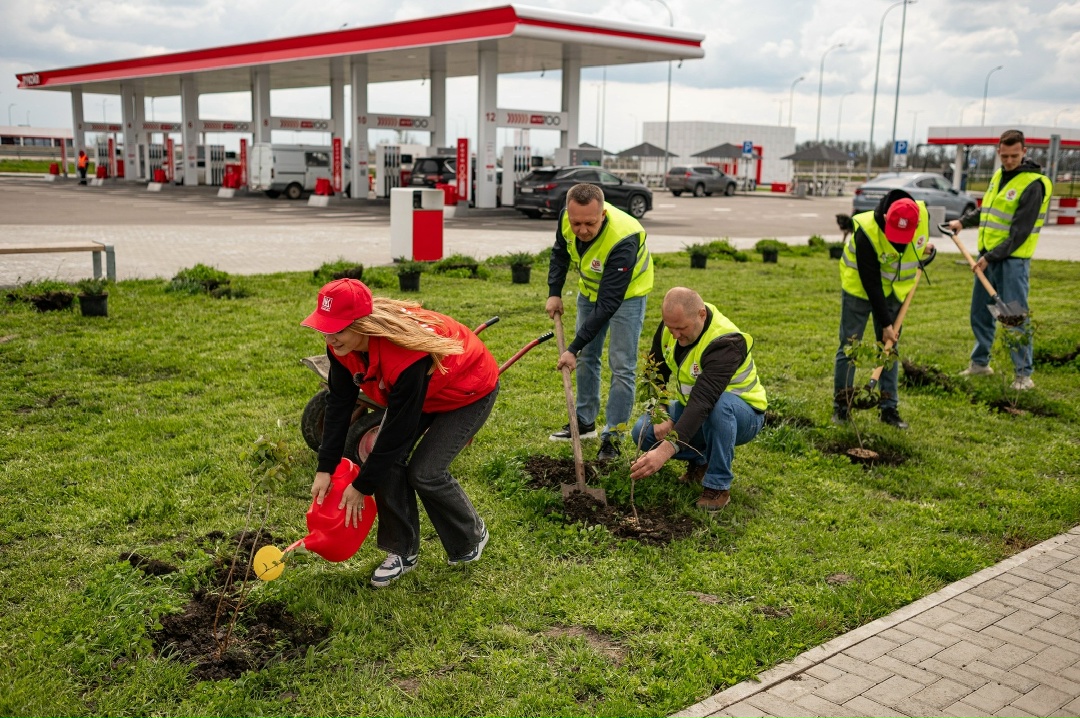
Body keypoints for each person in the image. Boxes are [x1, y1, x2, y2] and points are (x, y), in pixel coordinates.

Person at [301, 279, 499, 588]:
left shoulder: (406, 354)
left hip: (466, 391)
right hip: (423, 392)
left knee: (426, 472)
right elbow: (339, 406)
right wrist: (325, 468)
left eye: (337, 329)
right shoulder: (341, 346)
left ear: (362, 324)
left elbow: (399, 430)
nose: (329, 337)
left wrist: (363, 485)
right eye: (325, 328)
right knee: (386, 460)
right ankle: (401, 551)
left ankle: (471, 536)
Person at [628, 288, 767, 511]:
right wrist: (661, 412)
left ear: (701, 315)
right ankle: (700, 461)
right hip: (698, 410)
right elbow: (654, 376)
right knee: (642, 431)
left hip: (743, 416)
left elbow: (703, 402)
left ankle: (717, 485)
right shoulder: (671, 327)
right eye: (670, 327)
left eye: (681, 328)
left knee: (718, 407)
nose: (674, 335)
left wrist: (664, 452)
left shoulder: (727, 341)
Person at [546, 183, 654, 460]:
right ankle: (584, 423)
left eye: (590, 223)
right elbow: (560, 252)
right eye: (576, 222)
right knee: (587, 357)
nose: (582, 230)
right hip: (590, 291)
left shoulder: (624, 237)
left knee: (621, 365)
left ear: (603, 214)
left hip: (627, 297)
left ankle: (613, 436)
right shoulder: (566, 219)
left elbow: (608, 303)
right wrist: (554, 293)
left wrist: (572, 347)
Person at [948, 129, 1052, 390]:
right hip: (989, 258)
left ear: (1025, 151)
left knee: (1012, 316)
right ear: (998, 152)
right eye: (1004, 156)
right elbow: (988, 211)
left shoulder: (1033, 184)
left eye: (1014, 156)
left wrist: (989, 257)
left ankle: (1023, 375)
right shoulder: (999, 175)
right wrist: (963, 221)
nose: (1009, 161)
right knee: (981, 313)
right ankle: (980, 364)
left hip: (1012, 262)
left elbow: (1019, 233)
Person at [832, 192, 936, 429]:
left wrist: (925, 247)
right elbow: (871, 283)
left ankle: (889, 409)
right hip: (860, 289)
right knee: (850, 346)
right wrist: (887, 324)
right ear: (887, 216)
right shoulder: (866, 231)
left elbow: (913, 246)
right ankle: (842, 407)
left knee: (890, 349)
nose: (898, 240)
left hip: (895, 291)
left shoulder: (922, 215)